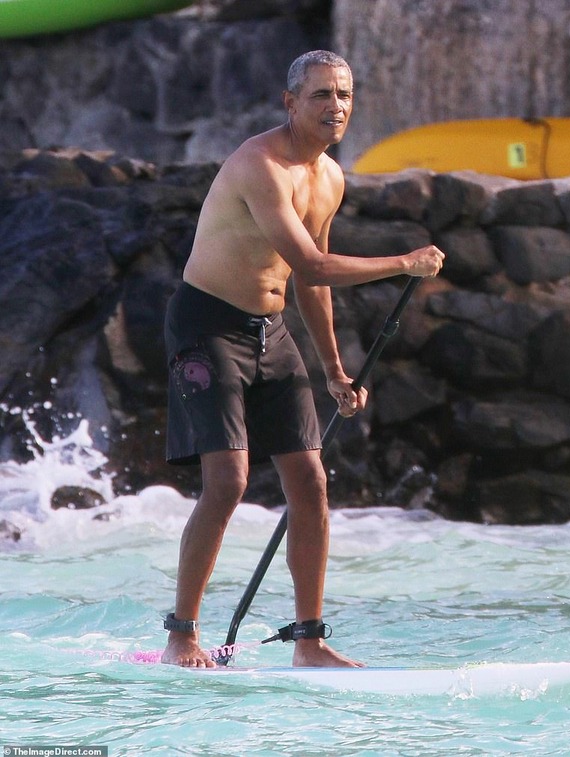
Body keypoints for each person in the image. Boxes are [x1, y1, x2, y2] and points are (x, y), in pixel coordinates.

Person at [161, 50, 444, 668]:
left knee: (311, 482)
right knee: (228, 481)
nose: (335, 107)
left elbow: (308, 282)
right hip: (207, 326)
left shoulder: (330, 179)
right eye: (320, 96)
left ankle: (308, 642)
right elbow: (315, 265)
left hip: (270, 328)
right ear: (290, 103)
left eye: (343, 96)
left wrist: (335, 369)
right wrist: (402, 264)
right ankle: (182, 634)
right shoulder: (259, 166)